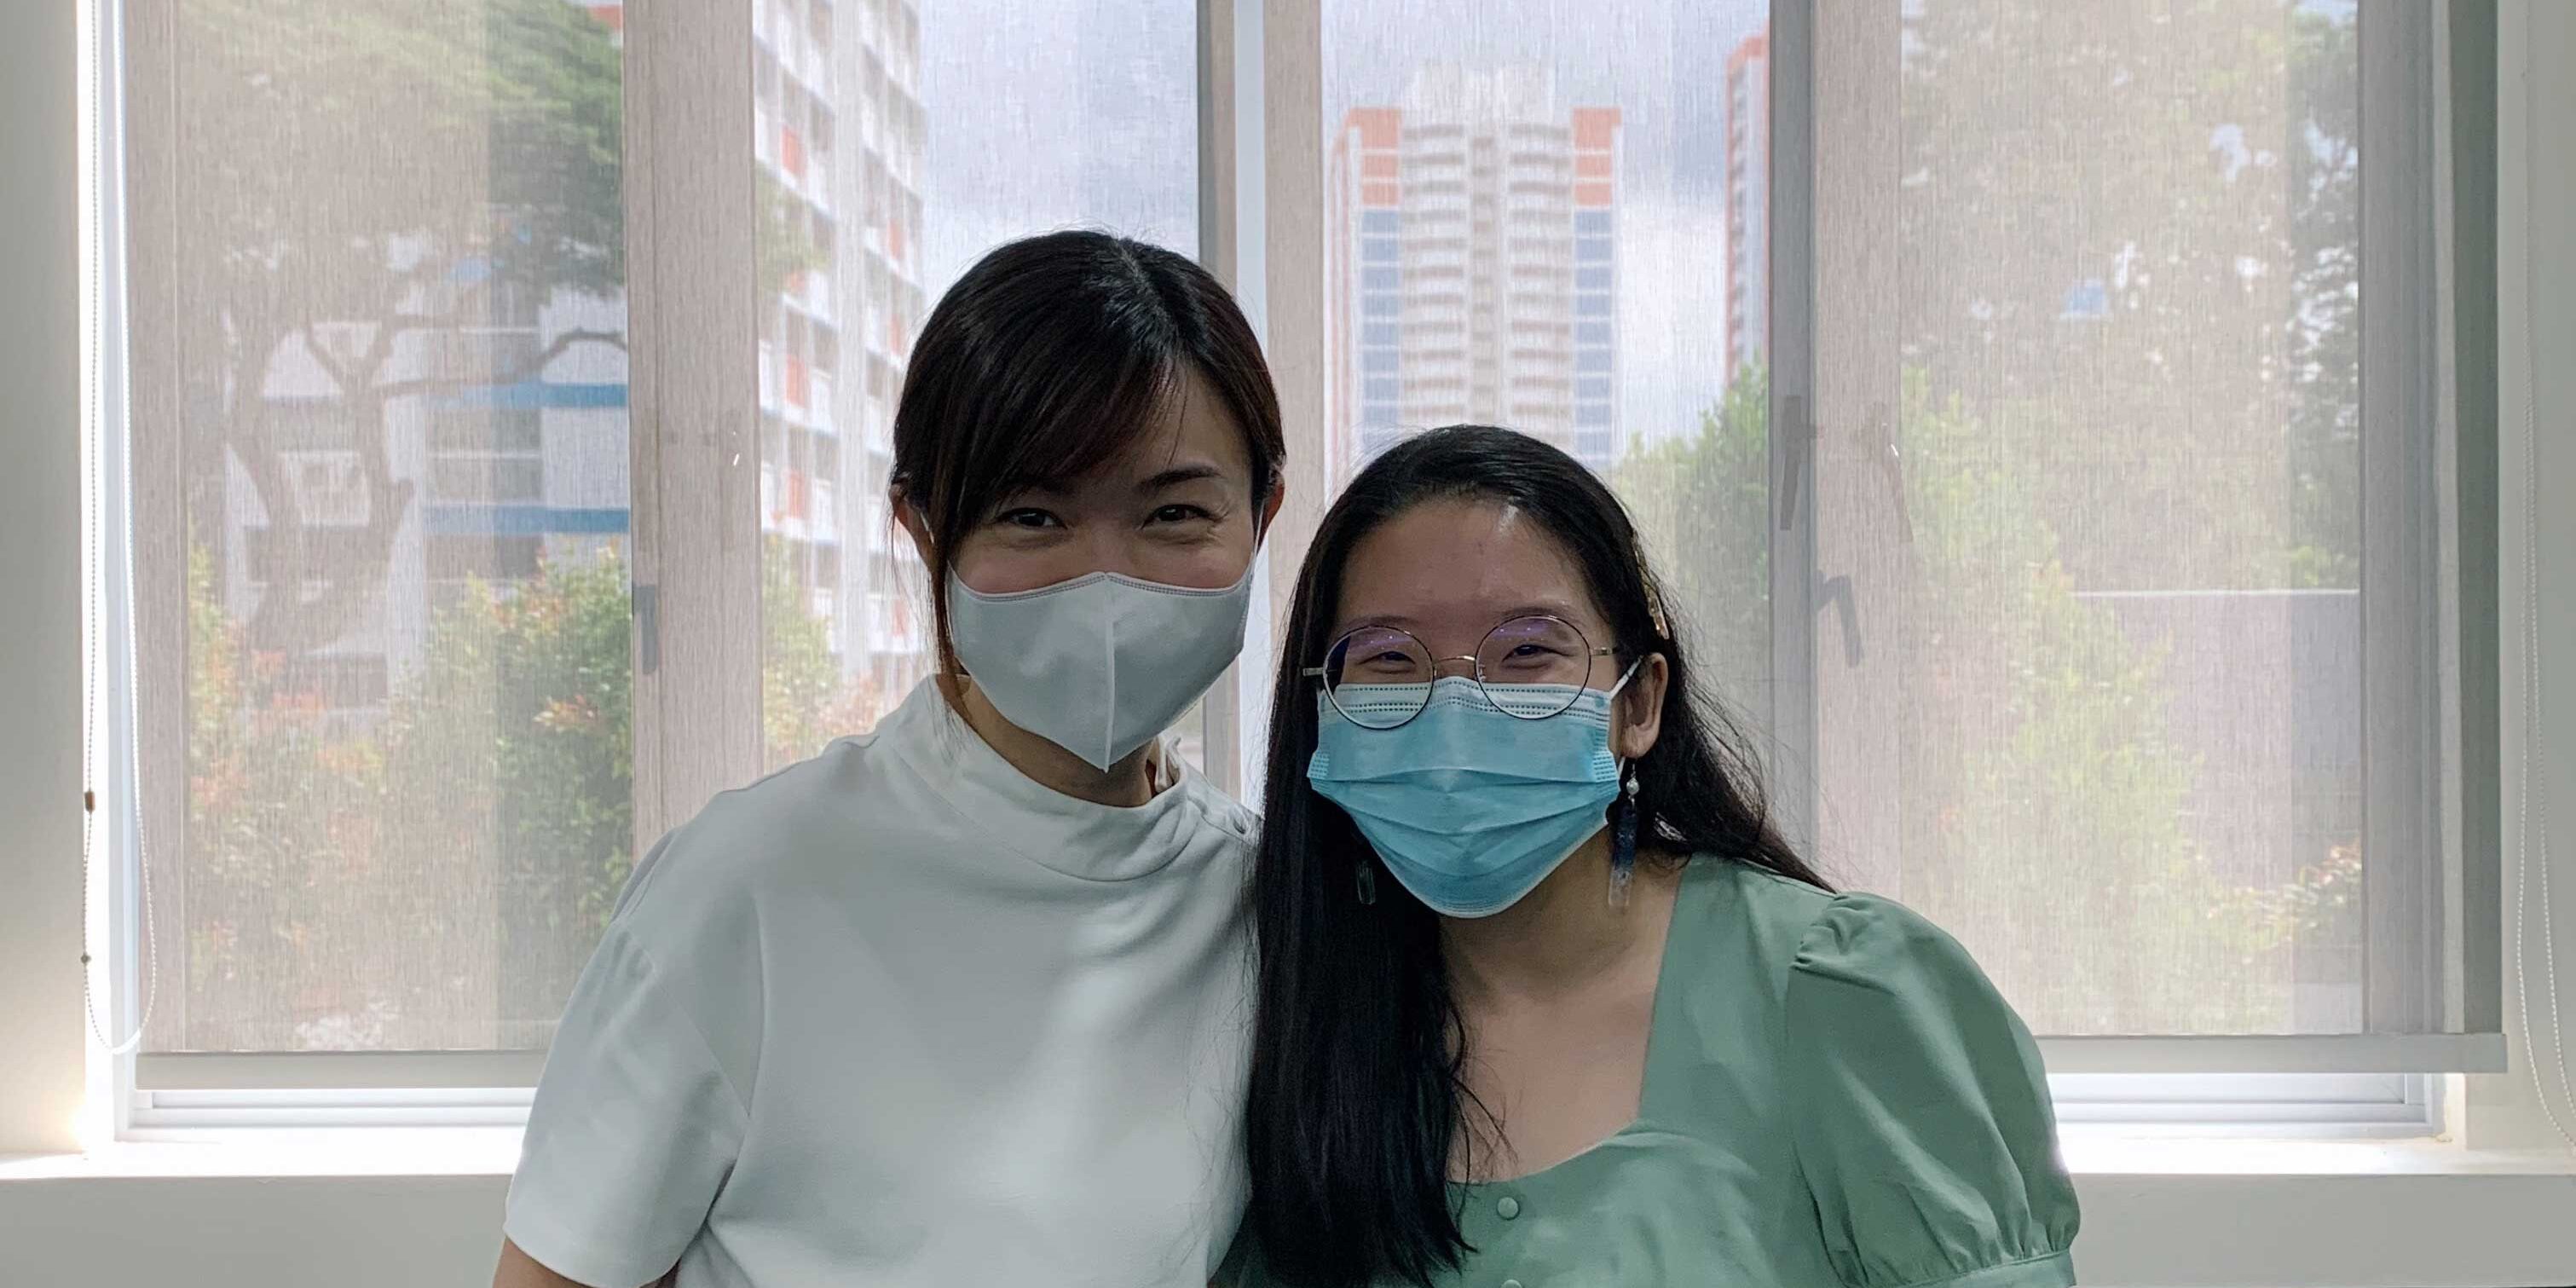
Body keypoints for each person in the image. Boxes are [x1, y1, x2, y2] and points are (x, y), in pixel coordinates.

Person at [494, 230, 1285, 1288]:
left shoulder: (1265, 901)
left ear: (1263, 512)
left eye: (1174, 512)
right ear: (921, 527)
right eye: (1032, 514)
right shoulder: (753, 886)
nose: (1107, 577)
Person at [1230, 426, 2080, 1288]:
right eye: (1388, 659)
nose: (1455, 712)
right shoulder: (1289, 1009)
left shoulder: (1840, 993)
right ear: (1322, 707)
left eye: (1527, 650)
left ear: (1638, 700)